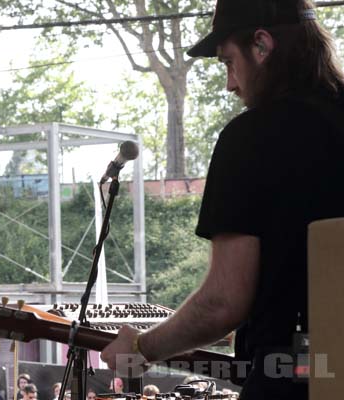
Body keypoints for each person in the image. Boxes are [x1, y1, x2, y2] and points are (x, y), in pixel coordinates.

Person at [101, 1, 344, 400]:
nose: (231, 83)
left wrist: (142, 348)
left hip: (301, 380)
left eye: (229, 62)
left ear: (262, 46)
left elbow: (223, 303)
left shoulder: (253, 137)